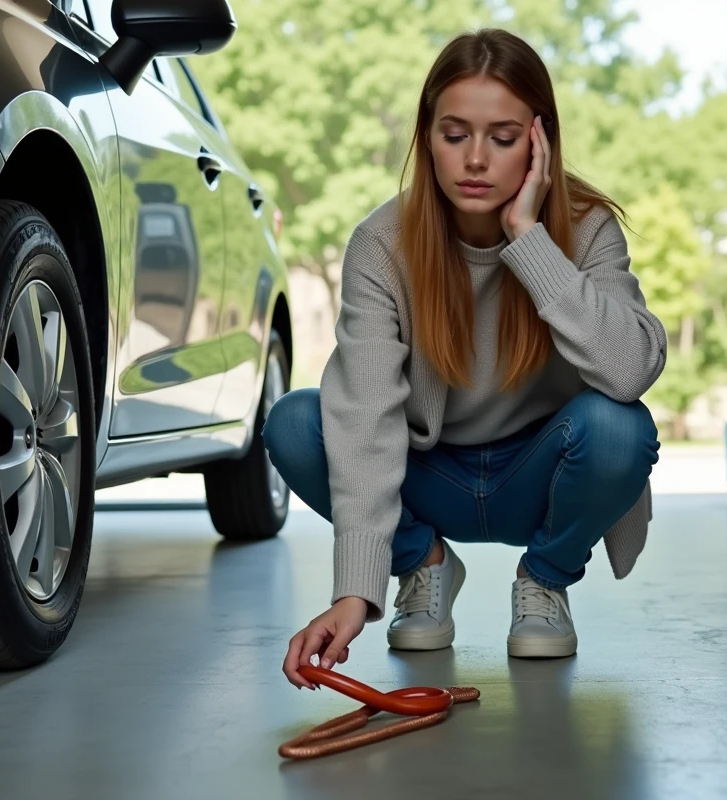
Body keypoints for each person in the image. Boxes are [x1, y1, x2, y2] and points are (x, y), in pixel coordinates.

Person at [263, 28, 667, 690]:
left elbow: (631, 371)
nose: (475, 159)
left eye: (503, 138)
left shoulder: (588, 227)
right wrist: (355, 593)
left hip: (537, 477)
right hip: (430, 475)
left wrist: (530, 242)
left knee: (620, 428)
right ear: (426, 137)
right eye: (455, 135)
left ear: (539, 141)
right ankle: (420, 563)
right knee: (297, 422)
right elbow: (365, 414)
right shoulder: (381, 243)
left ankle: (544, 580)